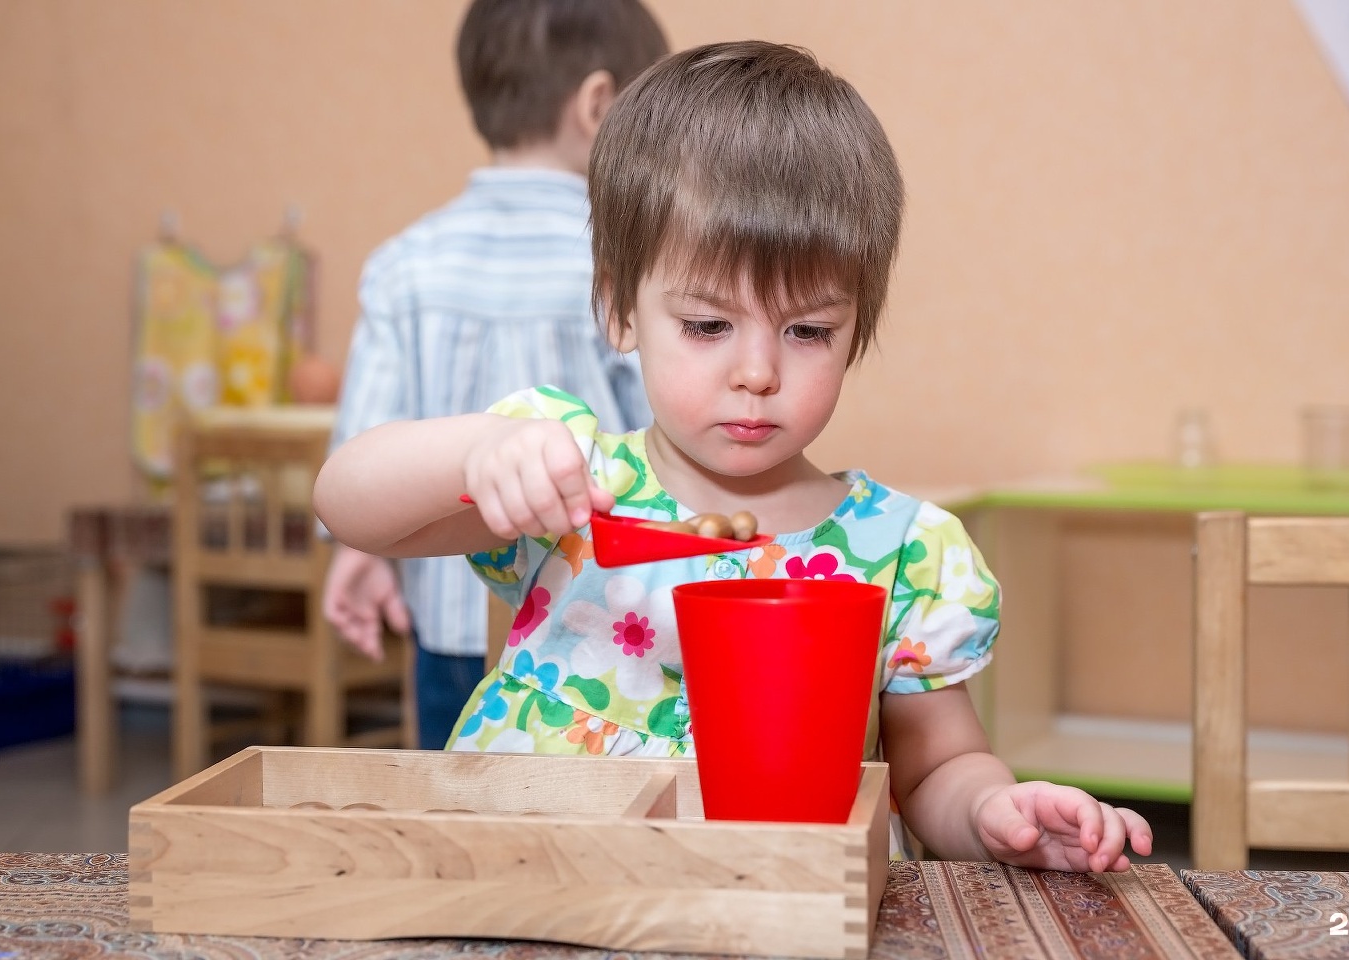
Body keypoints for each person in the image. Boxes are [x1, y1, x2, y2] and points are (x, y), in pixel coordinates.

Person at [315, 40, 1153, 869]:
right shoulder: (574, 482)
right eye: (708, 325)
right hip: (532, 887)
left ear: (857, 329)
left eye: (809, 331)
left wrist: (995, 809)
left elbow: (937, 768)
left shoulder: (904, 550)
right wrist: (480, 452)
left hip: (768, 905)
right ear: (618, 310)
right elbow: (348, 504)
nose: (757, 373)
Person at [322, 0, 668, 749]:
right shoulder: (623, 261)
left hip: (444, 612)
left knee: (460, 809)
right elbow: (665, 431)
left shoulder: (404, 263)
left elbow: (366, 439)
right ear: (599, 105)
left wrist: (362, 553)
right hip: (596, 628)